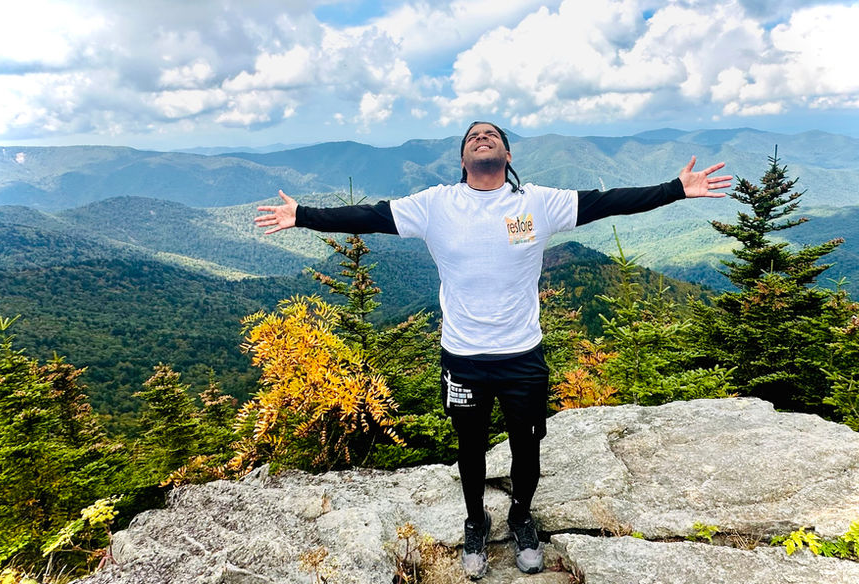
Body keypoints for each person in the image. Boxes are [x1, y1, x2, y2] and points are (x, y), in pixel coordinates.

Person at [254, 121, 731, 579]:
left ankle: (522, 518)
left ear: (507, 154)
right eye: (473, 137)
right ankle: (475, 522)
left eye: (492, 135)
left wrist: (674, 188)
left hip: (522, 355)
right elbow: (371, 217)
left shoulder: (536, 202)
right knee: (470, 445)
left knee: (527, 444)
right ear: (463, 159)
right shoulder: (436, 204)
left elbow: (606, 203)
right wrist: (302, 217)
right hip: (462, 357)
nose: (482, 138)